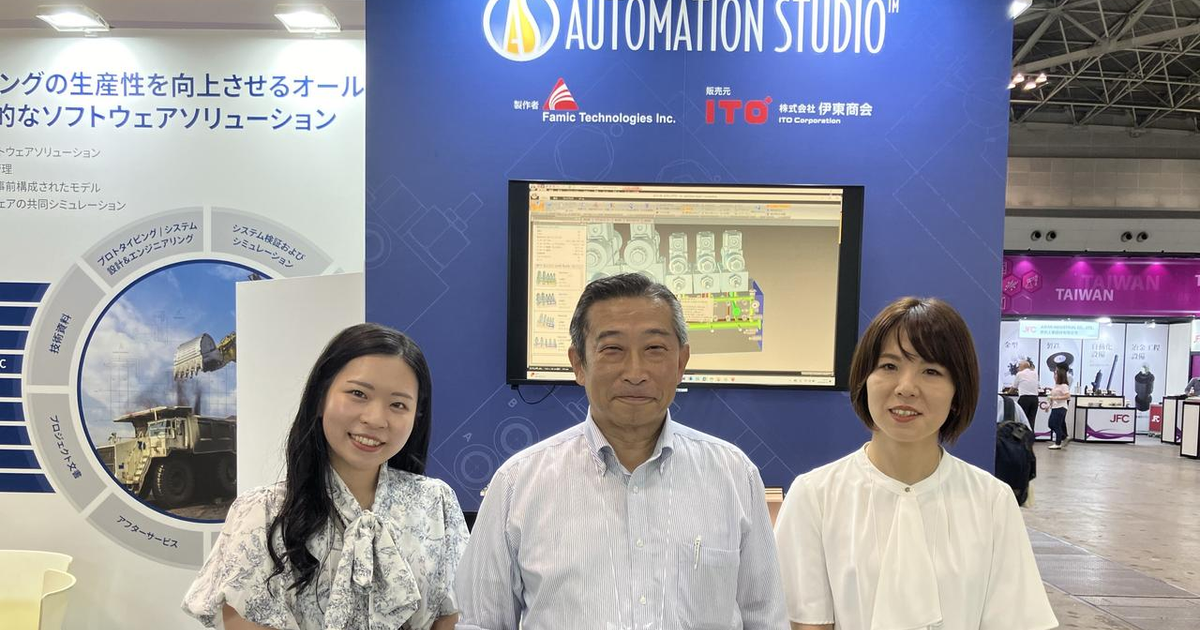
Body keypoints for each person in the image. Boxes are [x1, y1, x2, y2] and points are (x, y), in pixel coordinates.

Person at [456, 273, 788, 630]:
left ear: (681, 362)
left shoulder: (734, 475)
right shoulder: (517, 484)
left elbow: (765, 619)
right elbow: (480, 622)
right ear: (578, 364)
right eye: (612, 349)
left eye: (654, 349)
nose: (635, 372)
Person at [773, 297, 1057, 630]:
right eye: (889, 366)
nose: (906, 388)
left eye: (931, 371)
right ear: (864, 379)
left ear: (957, 393)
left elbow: (1015, 620)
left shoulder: (992, 500)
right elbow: (805, 623)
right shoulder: (815, 496)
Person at [182, 323, 468, 630]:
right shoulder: (260, 514)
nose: (375, 419)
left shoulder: (435, 503)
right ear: (321, 397)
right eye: (358, 394)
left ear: (416, 416)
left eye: (398, 404)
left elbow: (452, 613)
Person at [1046, 368, 1071, 449]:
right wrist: (1048, 405)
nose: (1054, 376)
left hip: (1061, 407)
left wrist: (1056, 398)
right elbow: (1052, 397)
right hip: (1055, 407)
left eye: (1056, 374)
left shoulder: (1064, 386)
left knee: (1056, 425)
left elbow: (1067, 396)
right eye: (1054, 374)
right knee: (1051, 424)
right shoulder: (1056, 385)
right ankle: (1063, 437)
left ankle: (1058, 443)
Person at [1013, 359, 1041, 426]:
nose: (1018, 368)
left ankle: (1021, 432)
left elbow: (1014, 387)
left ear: (1023, 366)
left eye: (1019, 366)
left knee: (1022, 419)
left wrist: (1008, 392)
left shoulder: (1020, 374)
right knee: (1031, 420)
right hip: (1035, 399)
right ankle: (1030, 432)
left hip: (1024, 399)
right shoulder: (1035, 374)